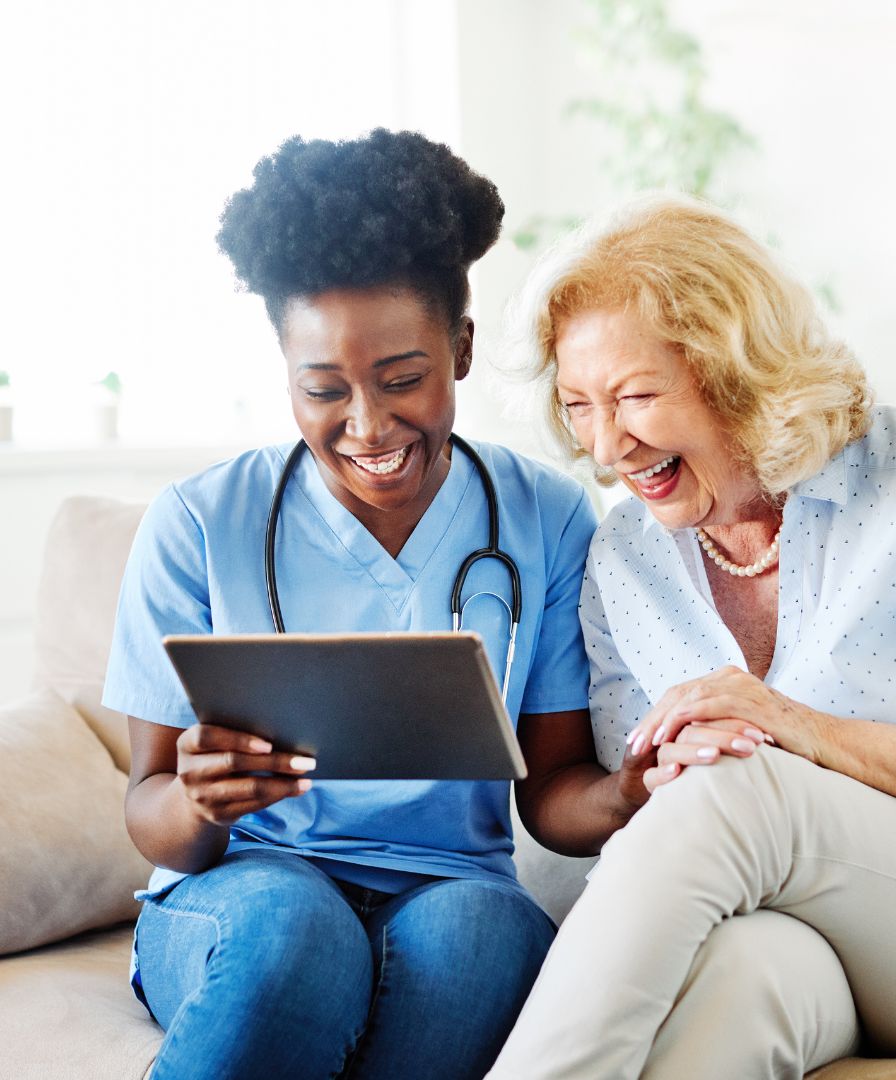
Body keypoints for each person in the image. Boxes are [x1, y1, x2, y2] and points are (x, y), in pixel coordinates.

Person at [486, 194, 896, 1079]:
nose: (607, 446)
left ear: (737, 372)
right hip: (828, 946)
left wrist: (804, 732)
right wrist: (644, 785)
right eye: (579, 406)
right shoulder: (626, 558)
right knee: (743, 974)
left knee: (745, 783)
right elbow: (658, 826)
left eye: (636, 397)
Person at [102, 129, 597, 1080]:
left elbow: (553, 792)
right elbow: (149, 807)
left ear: (459, 347)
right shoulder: (199, 522)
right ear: (283, 367)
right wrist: (202, 802)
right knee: (299, 929)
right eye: (322, 388)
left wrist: (631, 796)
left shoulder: (549, 517)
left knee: (485, 940)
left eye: (402, 379)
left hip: (454, 885)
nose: (367, 426)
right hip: (247, 886)